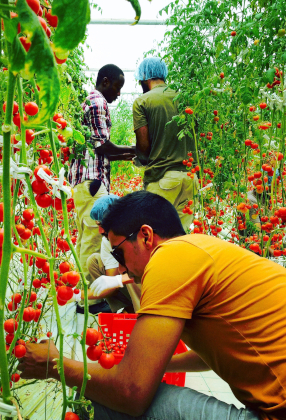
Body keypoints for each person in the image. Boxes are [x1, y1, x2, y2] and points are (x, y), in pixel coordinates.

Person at [18, 191, 286, 420]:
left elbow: (131, 394)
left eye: (119, 252)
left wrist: (54, 365)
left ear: (146, 235)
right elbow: (213, 355)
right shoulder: (201, 248)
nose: (120, 265)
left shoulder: (169, 257)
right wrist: (160, 364)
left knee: (98, 399)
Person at [68, 64, 136, 315]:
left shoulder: (88, 102)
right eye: (117, 87)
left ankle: (87, 295)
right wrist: (135, 149)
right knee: (92, 239)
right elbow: (102, 146)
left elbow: (100, 151)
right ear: (105, 81)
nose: (118, 94)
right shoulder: (97, 102)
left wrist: (131, 153)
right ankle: (90, 300)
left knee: (88, 237)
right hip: (92, 183)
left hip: (88, 182)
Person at [133, 57, 197, 231]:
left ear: (145, 78)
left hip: (163, 179)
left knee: (155, 238)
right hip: (190, 179)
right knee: (180, 237)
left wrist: (137, 156)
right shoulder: (185, 100)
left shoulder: (142, 102)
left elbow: (144, 150)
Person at [70, 194, 141, 313]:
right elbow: (111, 286)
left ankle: (143, 311)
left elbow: (150, 271)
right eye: (98, 225)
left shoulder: (139, 235)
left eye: (102, 225)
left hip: (152, 288)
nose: (100, 231)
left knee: (128, 270)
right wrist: (77, 295)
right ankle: (128, 308)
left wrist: (119, 280)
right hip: (132, 284)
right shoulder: (107, 241)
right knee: (94, 261)